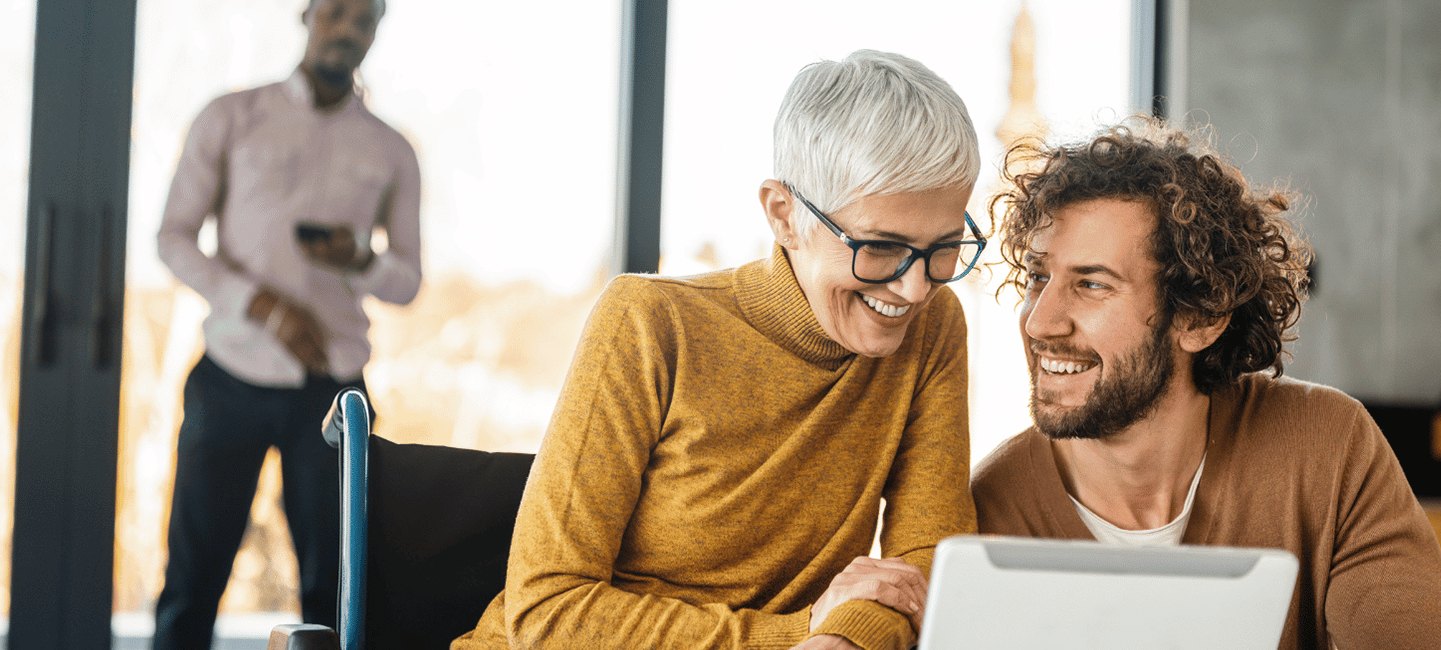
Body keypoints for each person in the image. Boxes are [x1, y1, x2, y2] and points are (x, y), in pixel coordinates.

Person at [452, 50, 981, 650]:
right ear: (785, 215)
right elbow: (548, 610)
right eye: (882, 247)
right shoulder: (650, 323)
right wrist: (801, 634)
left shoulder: (932, 326)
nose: (915, 287)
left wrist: (848, 636)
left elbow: (928, 566)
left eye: (944, 247)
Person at [971, 120, 1441, 650]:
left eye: (1092, 284)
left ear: (1200, 317)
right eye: (1037, 277)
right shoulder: (989, 513)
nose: (1039, 322)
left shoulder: (1326, 449)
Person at [151, 0, 420, 647]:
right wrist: (263, 305)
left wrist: (359, 260)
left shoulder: (392, 151)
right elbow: (173, 239)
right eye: (337, 12)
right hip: (230, 379)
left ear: (377, 32)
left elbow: (407, 282)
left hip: (334, 399)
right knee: (192, 582)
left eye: (365, 19)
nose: (347, 28)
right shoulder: (231, 115)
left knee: (339, 598)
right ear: (307, 14)